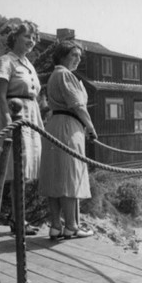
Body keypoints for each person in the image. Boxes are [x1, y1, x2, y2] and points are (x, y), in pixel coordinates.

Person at [38, 40, 97, 240]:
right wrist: (91, 128)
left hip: (55, 125)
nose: (78, 60)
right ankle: (71, 226)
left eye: (80, 56)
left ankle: (56, 225)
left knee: (55, 176)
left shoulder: (55, 75)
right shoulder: (64, 74)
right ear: (62, 55)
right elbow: (78, 106)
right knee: (69, 176)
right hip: (68, 127)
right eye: (74, 55)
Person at [0, 21, 44, 235]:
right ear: (15, 37)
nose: (31, 41)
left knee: (24, 170)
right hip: (14, 115)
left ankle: (18, 218)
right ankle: (14, 220)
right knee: (14, 169)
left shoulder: (28, 64)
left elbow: (35, 95)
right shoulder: (6, 62)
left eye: (33, 38)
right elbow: (0, 96)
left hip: (31, 116)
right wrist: (7, 120)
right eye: (27, 36)